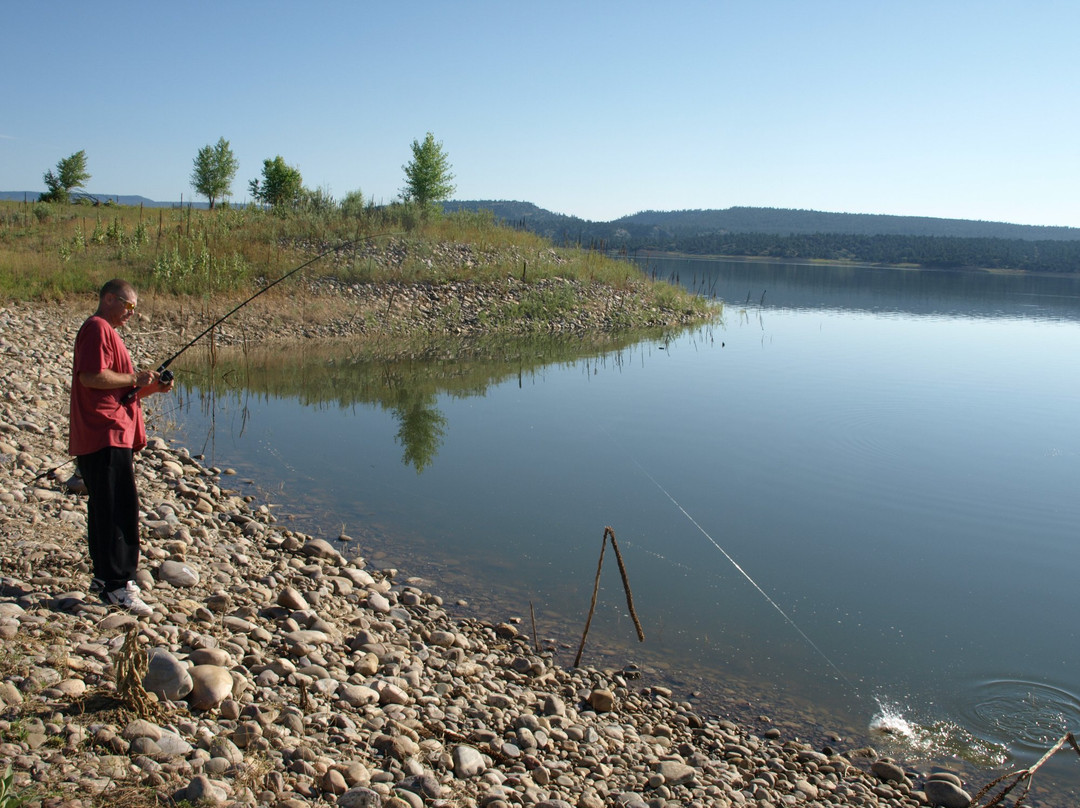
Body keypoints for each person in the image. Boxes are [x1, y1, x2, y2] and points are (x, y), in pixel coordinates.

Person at [69, 279, 172, 615]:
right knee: (118, 510)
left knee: (105, 508)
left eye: (135, 308)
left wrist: (150, 389)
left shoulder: (106, 332)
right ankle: (118, 585)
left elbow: (116, 392)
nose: (132, 313)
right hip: (104, 434)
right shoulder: (98, 328)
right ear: (109, 299)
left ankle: (104, 579)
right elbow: (91, 377)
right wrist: (133, 379)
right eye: (128, 306)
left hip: (109, 435)